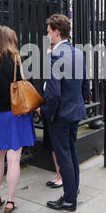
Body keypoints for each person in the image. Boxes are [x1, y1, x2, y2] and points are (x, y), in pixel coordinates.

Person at [0, 25, 36, 213]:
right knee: (13, 159)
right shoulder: (16, 60)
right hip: (14, 115)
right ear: (11, 40)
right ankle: (10, 202)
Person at [40, 13, 89, 212]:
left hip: (59, 115)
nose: (48, 35)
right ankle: (72, 191)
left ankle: (69, 200)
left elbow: (53, 94)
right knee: (71, 153)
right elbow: (85, 85)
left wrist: (45, 112)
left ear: (57, 32)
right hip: (75, 111)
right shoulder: (78, 53)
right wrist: (78, 103)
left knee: (64, 157)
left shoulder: (54, 56)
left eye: (49, 31)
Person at [43, 44, 63, 189]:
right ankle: (59, 175)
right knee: (55, 147)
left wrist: (44, 110)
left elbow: (55, 93)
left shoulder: (55, 64)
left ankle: (61, 177)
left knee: (58, 147)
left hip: (55, 112)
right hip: (55, 111)